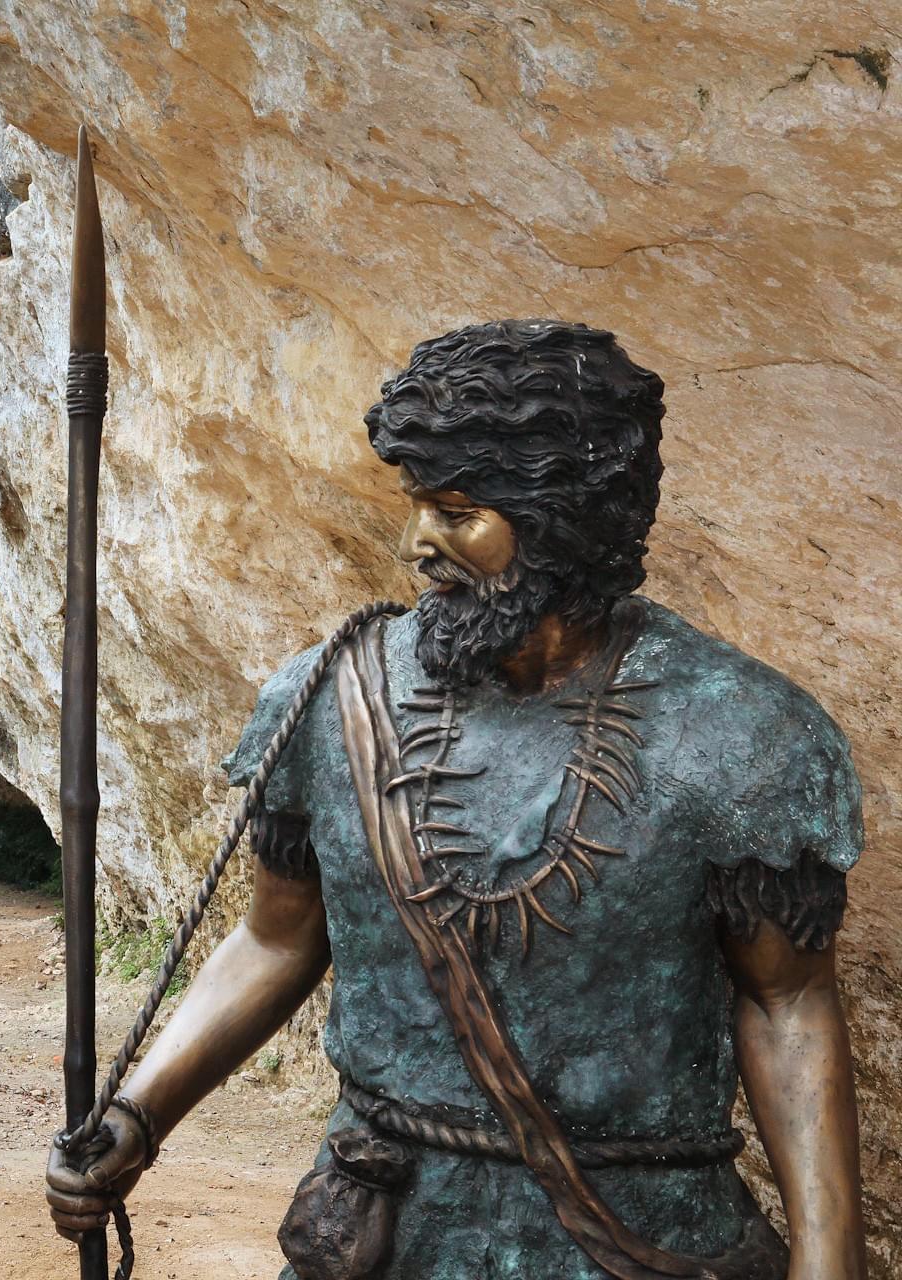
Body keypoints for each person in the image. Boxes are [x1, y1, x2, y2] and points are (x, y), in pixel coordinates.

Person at [45, 320, 866, 1279]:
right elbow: (275, 939)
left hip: (638, 1238)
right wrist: (136, 1115)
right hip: (382, 1228)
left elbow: (787, 1003)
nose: (415, 544)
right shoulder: (330, 698)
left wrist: (831, 1259)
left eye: (458, 512)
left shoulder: (745, 734)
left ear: (563, 521)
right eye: (417, 505)